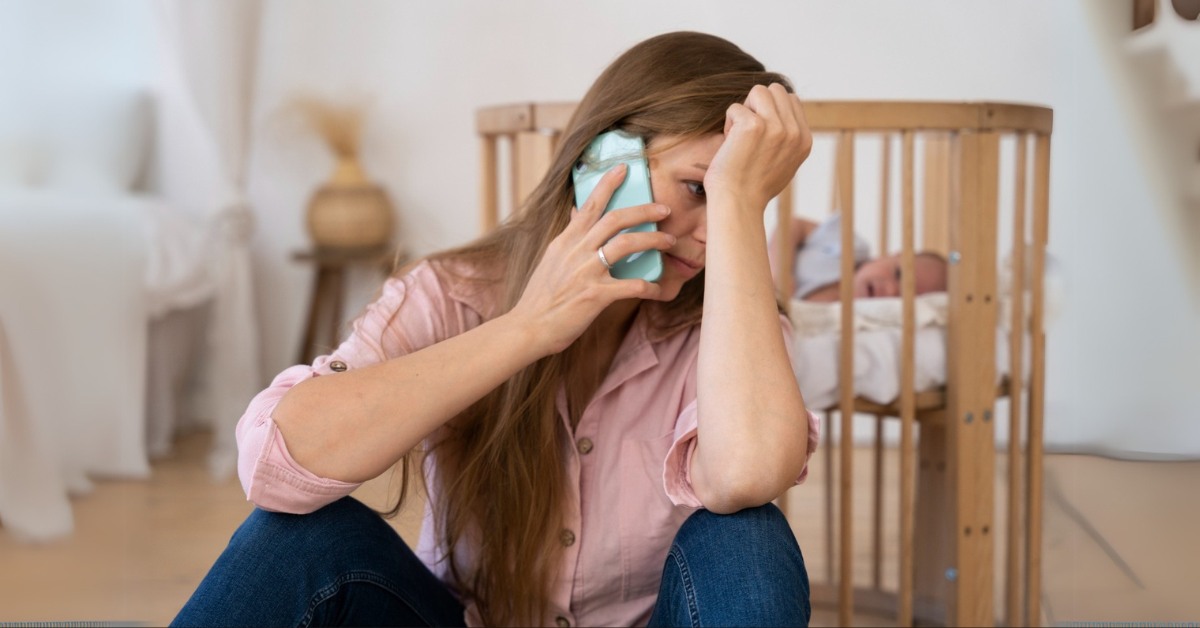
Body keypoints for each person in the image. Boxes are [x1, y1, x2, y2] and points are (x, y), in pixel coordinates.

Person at [173, 31, 821, 628]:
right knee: (294, 537)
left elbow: (745, 475)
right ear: (602, 161)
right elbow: (273, 467)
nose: (712, 238)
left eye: (740, 202)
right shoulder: (449, 293)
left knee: (747, 536)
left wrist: (738, 200)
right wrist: (527, 328)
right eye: (697, 189)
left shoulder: (736, 333)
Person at [770, 214, 948, 302]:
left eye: (904, 297)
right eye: (899, 274)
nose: (892, 290)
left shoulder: (854, 323)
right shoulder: (851, 247)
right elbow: (791, 224)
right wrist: (779, 272)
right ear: (889, 256)